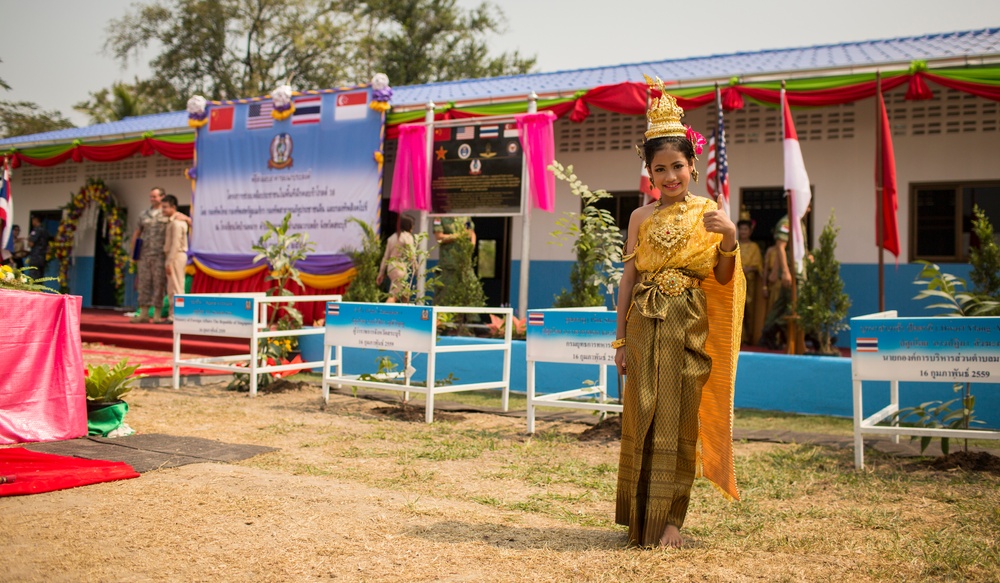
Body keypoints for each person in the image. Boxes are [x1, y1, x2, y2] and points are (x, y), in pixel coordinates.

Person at [613, 76, 745, 549]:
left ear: (693, 165)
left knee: (679, 417)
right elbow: (627, 280)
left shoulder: (710, 212)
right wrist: (620, 340)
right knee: (641, 415)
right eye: (660, 169)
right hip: (643, 326)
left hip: (687, 327)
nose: (670, 176)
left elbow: (725, 280)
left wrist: (729, 239)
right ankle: (638, 519)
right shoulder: (639, 218)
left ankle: (670, 521)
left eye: (678, 166)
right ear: (649, 173)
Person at [759, 207, 809, 350]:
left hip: (798, 271)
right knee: (794, 308)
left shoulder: (799, 223)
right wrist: (785, 272)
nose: (809, 209)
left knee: (781, 305)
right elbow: (780, 248)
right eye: (806, 206)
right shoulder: (787, 222)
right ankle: (775, 330)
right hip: (793, 274)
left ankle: (768, 332)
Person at [132, 187, 170, 323]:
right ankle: (143, 313)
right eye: (151, 197)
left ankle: (157, 314)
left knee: (159, 284)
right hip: (144, 255)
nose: (152, 199)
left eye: (155, 196)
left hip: (160, 255)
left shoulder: (167, 213)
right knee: (144, 284)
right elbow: (137, 233)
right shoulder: (144, 214)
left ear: (162, 196)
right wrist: (134, 254)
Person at [737, 211, 765, 345]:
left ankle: (750, 338)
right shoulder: (734, 245)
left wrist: (749, 269)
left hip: (750, 283)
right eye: (741, 229)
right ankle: (739, 338)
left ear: (750, 231)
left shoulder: (754, 247)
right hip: (736, 282)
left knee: (749, 311)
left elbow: (759, 265)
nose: (743, 232)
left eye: (745, 229)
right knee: (736, 309)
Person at [377, 214, 417, 303]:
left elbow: (385, 257)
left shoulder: (392, 238)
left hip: (391, 267)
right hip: (400, 268)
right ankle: (384, 313)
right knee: (394, 295)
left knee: (405, 293)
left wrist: (381, 272)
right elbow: (412, 255)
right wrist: (416, 269)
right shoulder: (407, 237)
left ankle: (406, 313)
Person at [161, 195, 188, 323]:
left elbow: (176, 244)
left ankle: (177, 315)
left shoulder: (177, 223)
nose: (163, 210)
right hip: (174, 256)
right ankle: (173, 315)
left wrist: (169, 261)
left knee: (177, 287)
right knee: (172, 288)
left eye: (166, 207)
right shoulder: (171, 221)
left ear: (173, 207)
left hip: (176, 256)